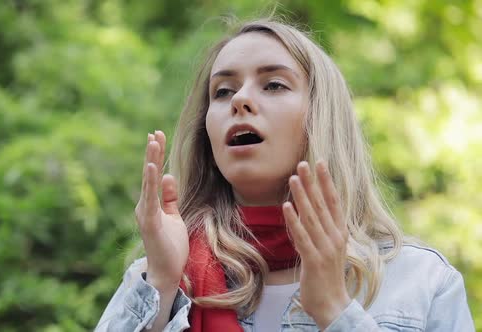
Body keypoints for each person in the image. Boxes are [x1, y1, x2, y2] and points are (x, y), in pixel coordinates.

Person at [95, 17, 475, 332]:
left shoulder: (423, 282)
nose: (240, 100)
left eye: (274, 84)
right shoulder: (158, 275)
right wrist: (162, 284)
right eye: (223, 91)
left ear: (321, 118)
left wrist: (335, 311)